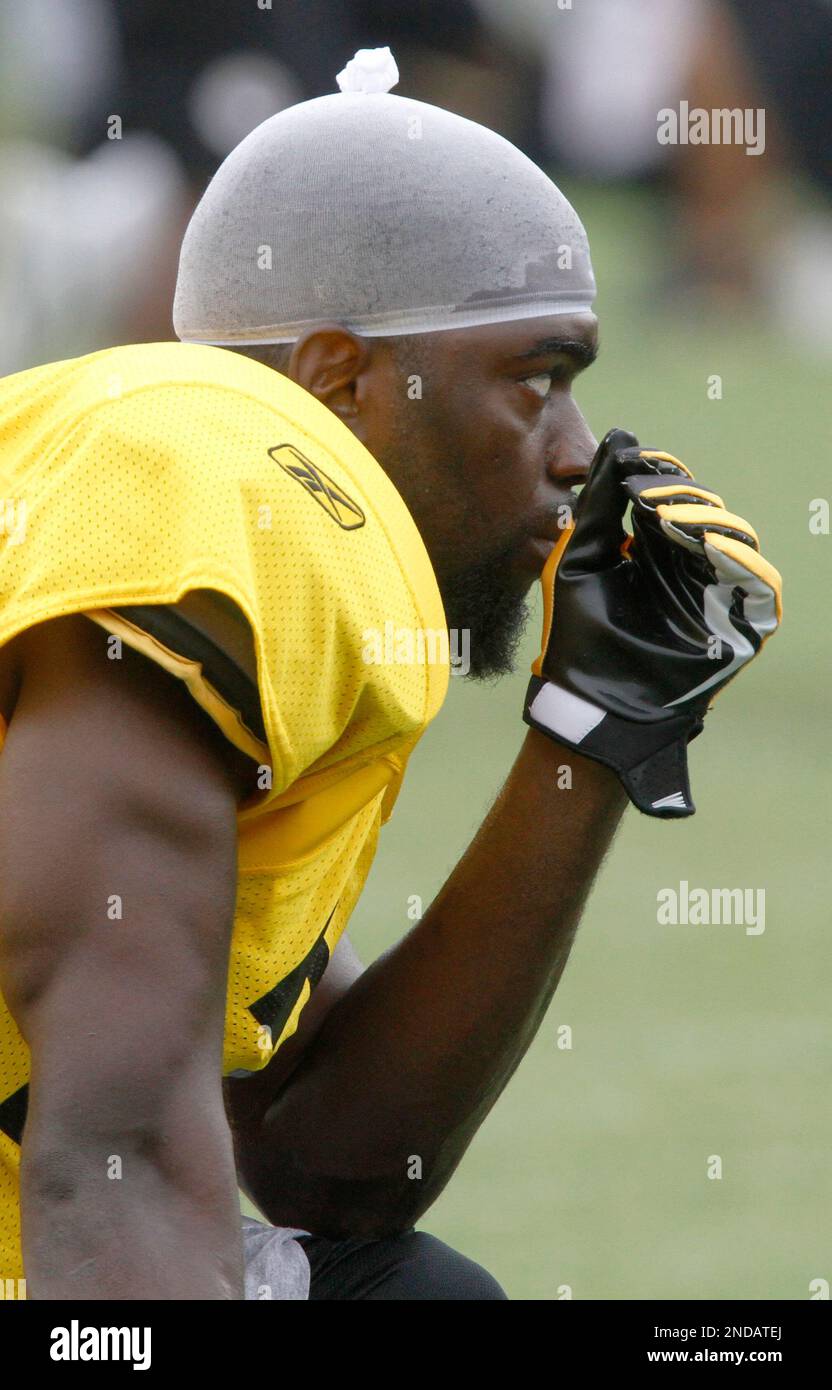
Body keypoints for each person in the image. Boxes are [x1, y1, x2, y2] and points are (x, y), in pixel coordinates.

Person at [0, 49, 781, 1300]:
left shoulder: (133, 465)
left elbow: (337, 1158)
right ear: (338, 381)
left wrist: (590, 733)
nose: (580, 454)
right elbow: (114, 1170)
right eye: (538, 379)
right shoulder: (237, 499)